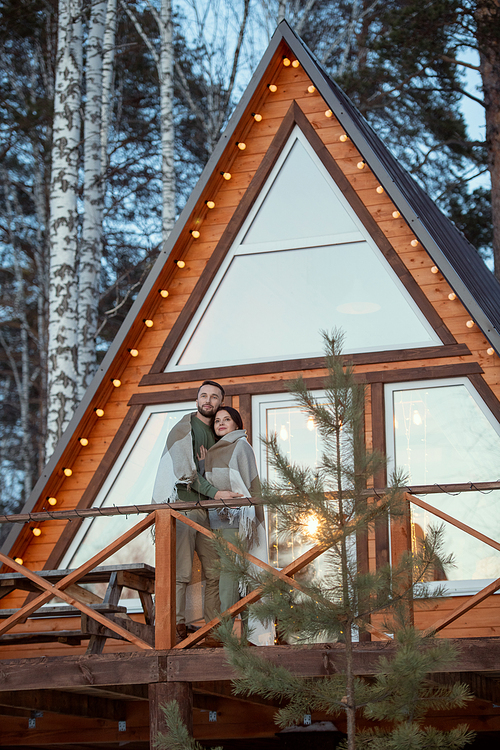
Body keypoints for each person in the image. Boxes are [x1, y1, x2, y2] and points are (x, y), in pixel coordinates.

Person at [152, 381, 243, 643]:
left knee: (215, 571)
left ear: (220, 402)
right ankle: (175, 629)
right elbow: (185, 474)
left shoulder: (218, 433)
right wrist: (216, 493)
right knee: (180, 572)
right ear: (196, 399)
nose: (208, 400)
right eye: (203, 395)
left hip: (208, 514)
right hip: (182, 509)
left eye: (214, 397)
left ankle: (214, 631)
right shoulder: (183, 430)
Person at [200, 406, 265, 613]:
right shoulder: (215, 450)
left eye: (226, 419)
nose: (220, 422)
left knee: (231, 571)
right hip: (215, 519)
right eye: (217, 419)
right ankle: (223, 627)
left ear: (237, 424)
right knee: (220, 572)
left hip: (235, 518)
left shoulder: (240, 445)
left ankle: (227, 624)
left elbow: (243, 485)